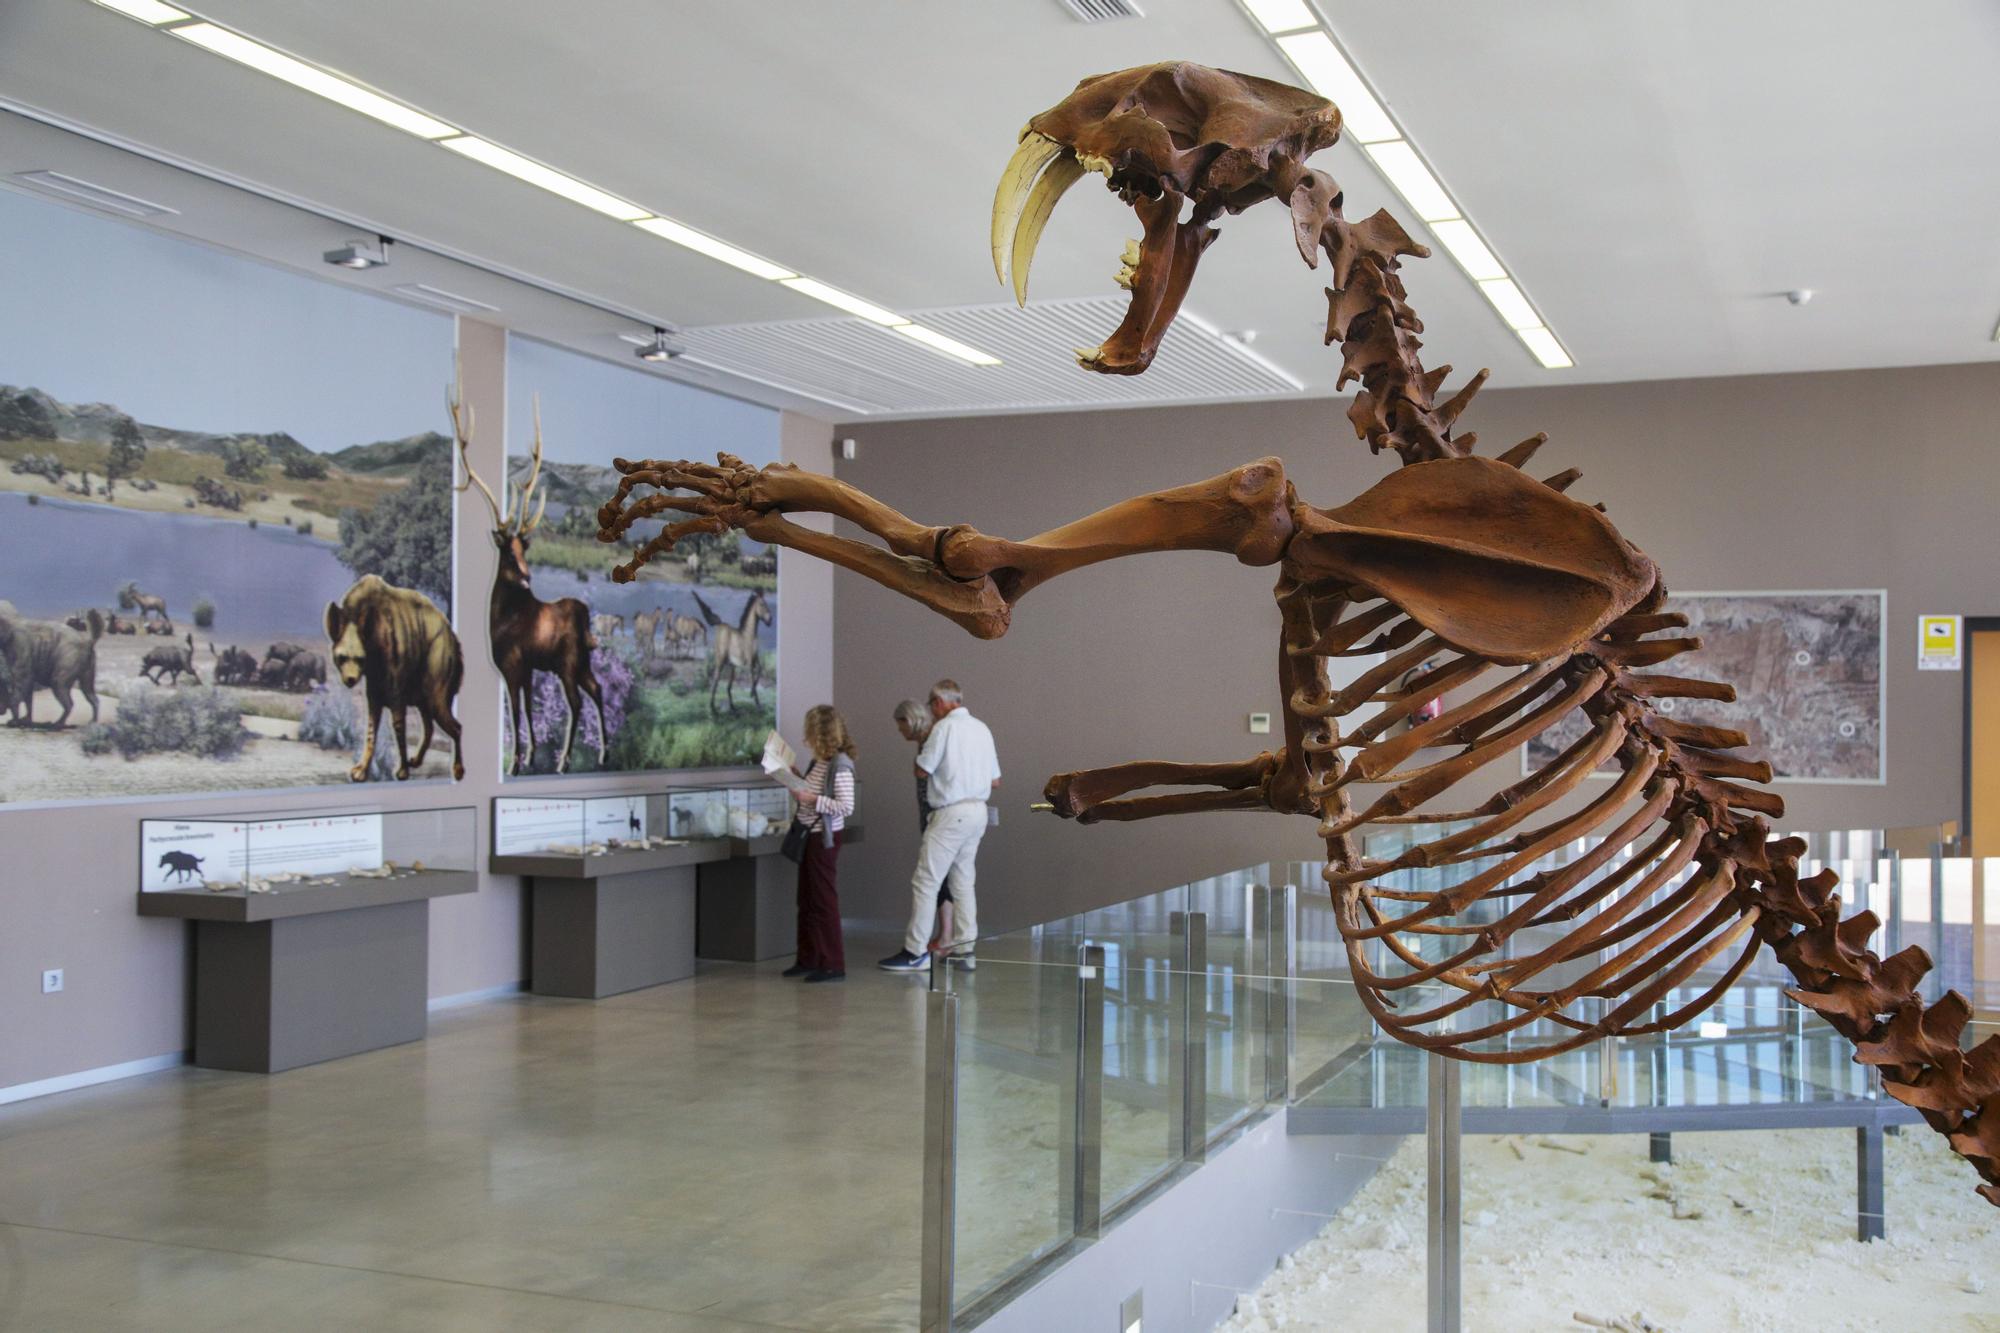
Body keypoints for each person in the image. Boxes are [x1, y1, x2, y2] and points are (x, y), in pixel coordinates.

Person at [879, 680, 999, 973]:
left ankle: (915, 951)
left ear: (939, 702)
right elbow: (996, 780)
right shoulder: (982, 728)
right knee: (963, 882)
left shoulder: (944, 728)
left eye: (932, 704)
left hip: (950, 812)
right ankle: (964, 950)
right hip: (978, 811)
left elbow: (923, 769)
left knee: (926, 881)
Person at [777, 705, 856, 983]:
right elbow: (811, 791)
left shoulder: (840, 764)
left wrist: (812, 800)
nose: (804, 736)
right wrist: (794, 775)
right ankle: (808, 958)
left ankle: (833, 962)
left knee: (823, 901)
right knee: (807, 900)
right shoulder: (819, 762)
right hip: (809, 835)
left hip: (823, 838)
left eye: (809, 730)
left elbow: (846, 806)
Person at [894, 698, 952, 954]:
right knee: (941, 878)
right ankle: (945, 934)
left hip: (937, 816)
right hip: (930, 815)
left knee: (936, 879)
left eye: (900, 725)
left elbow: (924, 774)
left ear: (910, 720)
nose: (900, 732)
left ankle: (944, 936)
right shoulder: (926, 741)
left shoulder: (932, 740)